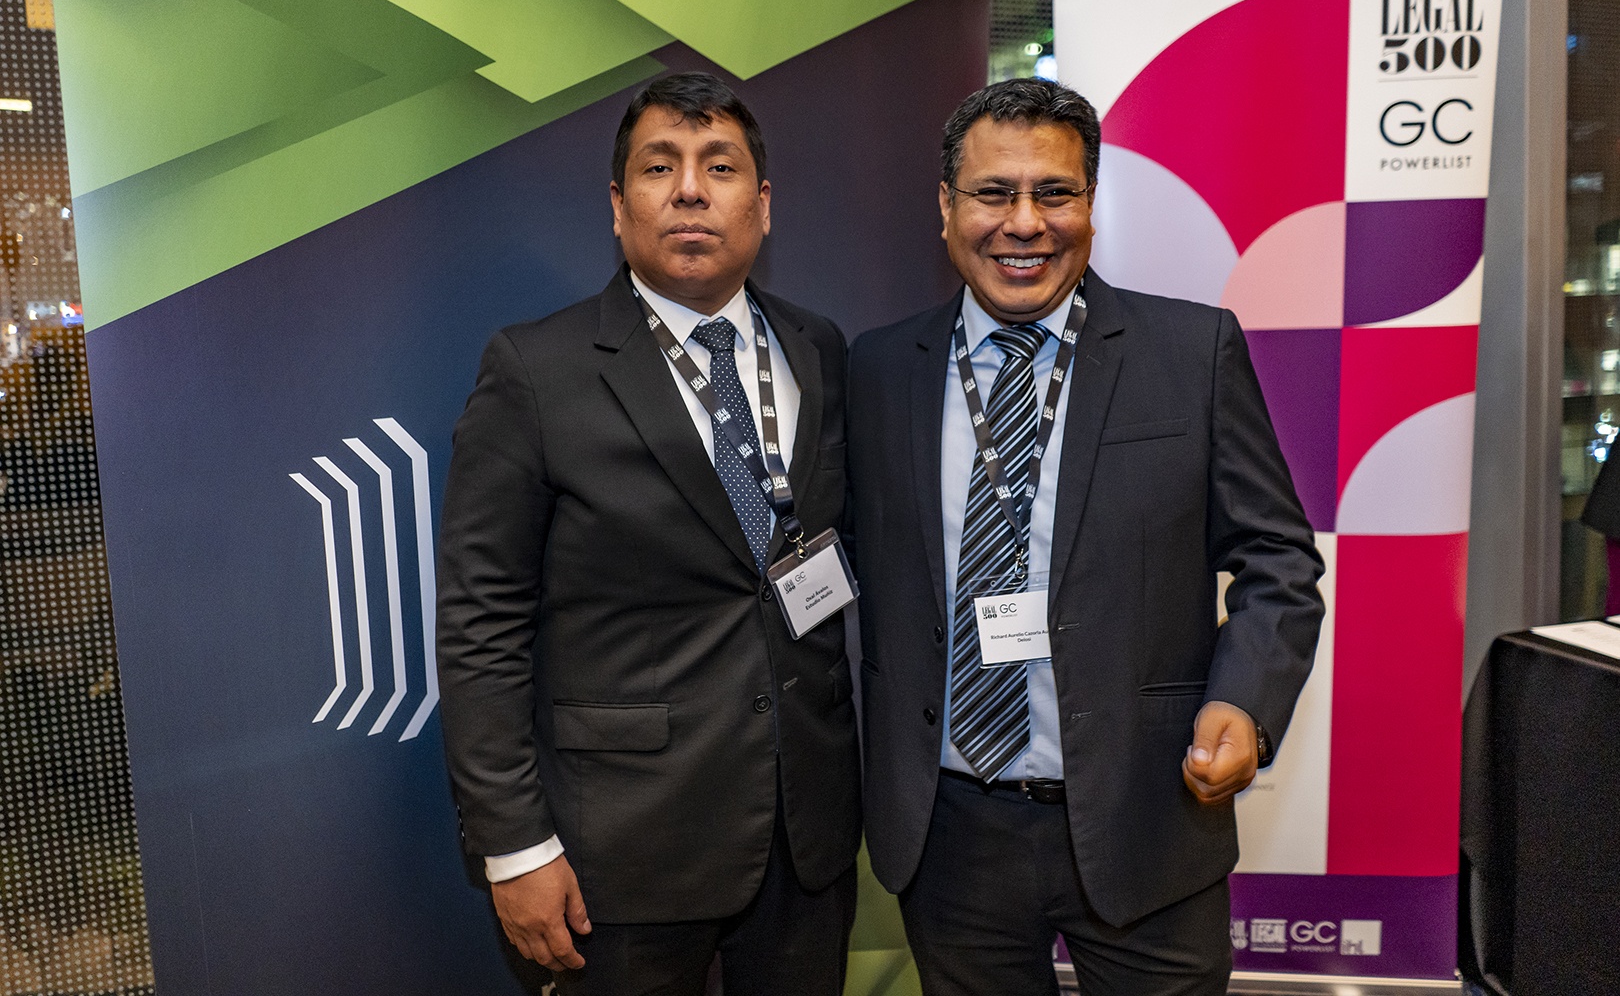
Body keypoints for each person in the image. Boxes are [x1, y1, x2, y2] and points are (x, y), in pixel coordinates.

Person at [847, 77, 1324, 995]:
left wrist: (1246, 701)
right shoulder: (878, 367)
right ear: (946, 207)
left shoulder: (1192, 352)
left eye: (1055, 193)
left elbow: (1278, 560)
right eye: (994, 193)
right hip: (949, 835)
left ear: (1091, 204)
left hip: (1149, 818)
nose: (1025, 223)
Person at [437, 72, 860, 996]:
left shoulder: (817, 348)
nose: (691, 190)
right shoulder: (536, 370)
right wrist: (515, 845)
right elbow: (481, 624)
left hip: (806, 841)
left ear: (764, 205)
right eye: (660, 166)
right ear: (618, 205)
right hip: (619, 855)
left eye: (721, 166)